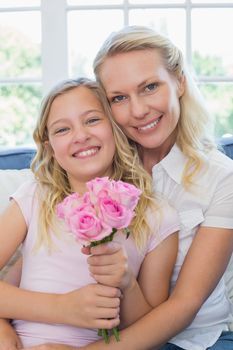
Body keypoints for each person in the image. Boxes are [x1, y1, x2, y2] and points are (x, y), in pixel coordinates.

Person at [7, 25, 233, 350]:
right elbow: (29, 267)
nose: (138, 110)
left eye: (151, 86)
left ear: (180, 81)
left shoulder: (214, 183)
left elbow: (181, 307)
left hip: (185, 338)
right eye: (119, 98)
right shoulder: (69, 179)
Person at [0, 77, 179, 348]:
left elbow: (150, 331)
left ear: (116, 129)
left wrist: (127, 284)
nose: (80, 136)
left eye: (93, 120)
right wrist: (61, 308)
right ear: (49, 147)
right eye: (62, 130)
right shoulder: (35, 197)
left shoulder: (157, 216)